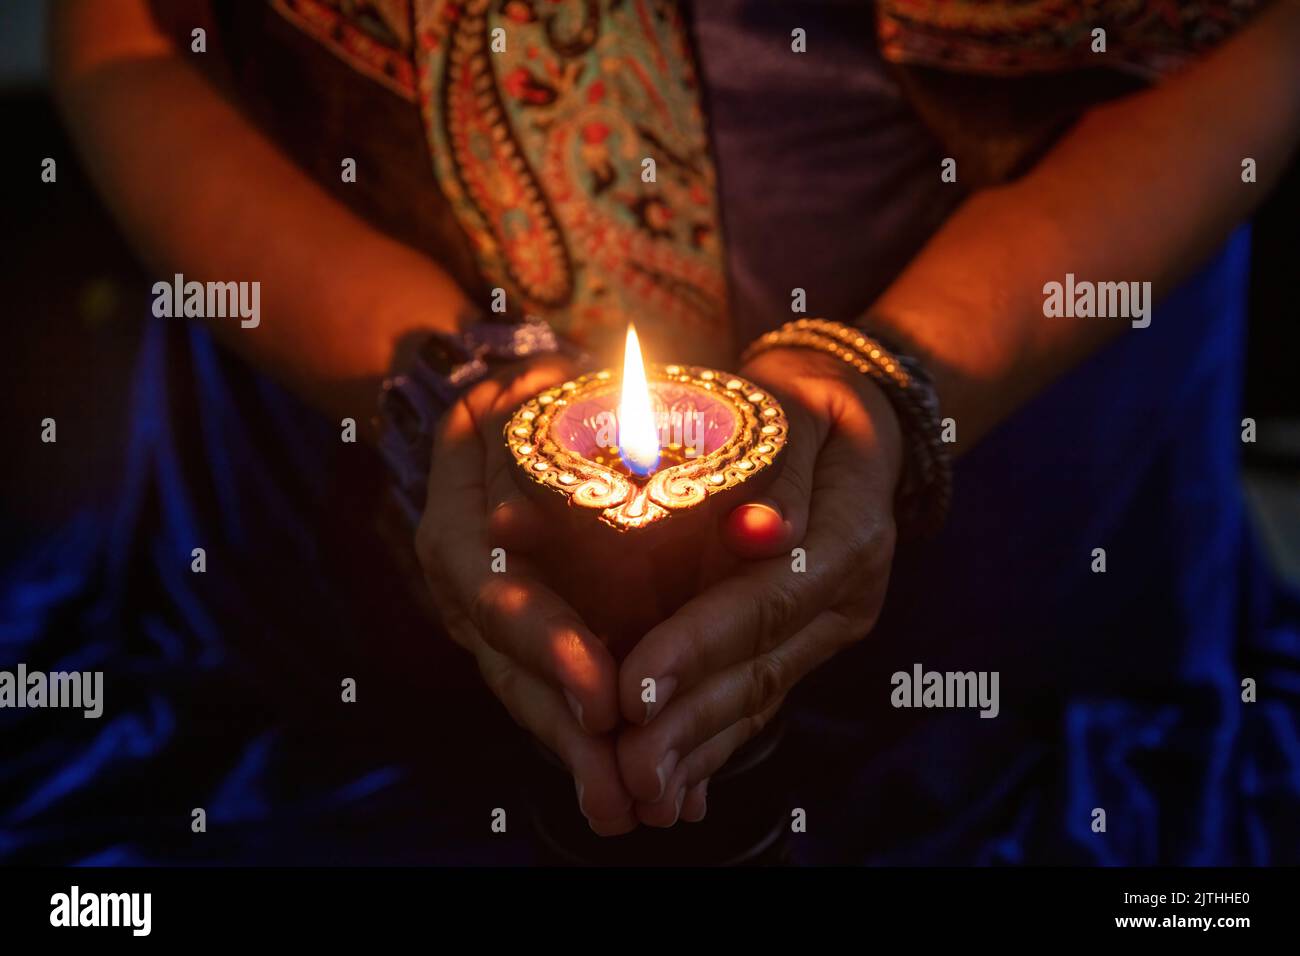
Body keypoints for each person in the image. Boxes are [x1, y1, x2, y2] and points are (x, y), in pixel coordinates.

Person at [9, 0, 1297, 863]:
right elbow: (120, 31)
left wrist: (892, 387)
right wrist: (445, 389)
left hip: (1019, 519)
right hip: (309, 534)